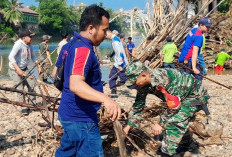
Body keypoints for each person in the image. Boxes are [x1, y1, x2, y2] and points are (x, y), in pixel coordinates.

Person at [55, 5, 121, 157]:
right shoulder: (83, 49)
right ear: (91, 28)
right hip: (81, 119)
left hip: (69, 113)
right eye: (104, 30)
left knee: (67, 151)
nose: (106, 34)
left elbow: (56, 73)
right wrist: (106, 99)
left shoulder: (70, 44)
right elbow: (76, 84)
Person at [123, 61, 209, 156]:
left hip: (194, 95)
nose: (134, 85)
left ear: (143, 75)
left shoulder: (163, 79)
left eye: (134, 82)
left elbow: (174, 107)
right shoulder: (143, 84)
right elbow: (138, 105)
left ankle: (167, 153)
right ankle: (187, 145)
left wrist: (160, 124)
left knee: (174, 122)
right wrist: (128, 126)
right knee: (179, 120)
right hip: (180, 97)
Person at [8, 29, 37, 115]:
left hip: (25, 68)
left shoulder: (29, 45)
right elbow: (10, 57)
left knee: (32, 84)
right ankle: (23, 106)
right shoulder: (18, 45)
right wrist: (18, 70)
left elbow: (33, 57)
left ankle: (32, 104)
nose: (32, 38)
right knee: (20, 89)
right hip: (14, 69)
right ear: (24, 38)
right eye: (30, 37)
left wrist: (38, 65)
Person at [105, 30, 128, 95]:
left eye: (106, 35)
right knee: (112, 76)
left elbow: (120, 52)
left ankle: (135, 86)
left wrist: (120, 65)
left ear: (109, 33)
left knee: (123, 78)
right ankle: (113, 90)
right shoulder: (115, 39)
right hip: (118, 62)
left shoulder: (115, 41)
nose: (106, 37)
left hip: (119, 63)